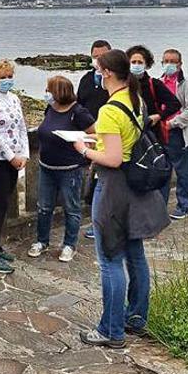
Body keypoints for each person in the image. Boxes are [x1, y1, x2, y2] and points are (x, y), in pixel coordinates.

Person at [73, 49, 163, 349]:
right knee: (135, 253)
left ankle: (111, 330)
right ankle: (135, 317)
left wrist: (84, 150)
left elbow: (111, 158)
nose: (96, 74)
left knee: (110, 259)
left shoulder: (110, 110)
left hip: (113, 188)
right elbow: (123, 145)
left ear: (107, 73)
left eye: (98, 69)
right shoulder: (135, 100)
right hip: (134, 186)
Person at [28, 76, 95, 263]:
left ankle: (69, 244)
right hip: (46, 166)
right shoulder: (50, 108)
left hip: (70, 169)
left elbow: (94, 133)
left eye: (49, 90)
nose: (46, 93)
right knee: (44, 207)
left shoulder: (78, 112)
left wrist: (86, 150)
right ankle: (42, 241)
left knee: (71, 208)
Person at [0, 59, 29, 275]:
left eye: (10, 76)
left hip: (15, 157)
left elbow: (22, 127)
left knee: (4, 203)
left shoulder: (15, 99)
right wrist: (10, 156)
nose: (7, 80)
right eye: (3, 77)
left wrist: (24, 154)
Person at [77, 40, 112, 241]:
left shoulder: (118, 82)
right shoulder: (86, 80)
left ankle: (103, 223)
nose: (98, 60)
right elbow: (79, 105)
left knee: (106, 183)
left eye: (102, 56)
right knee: (93, 185)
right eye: (95, 56)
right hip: (89, 137)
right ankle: (96, 220)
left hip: (109, 138)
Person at [159, 50, 188, 219]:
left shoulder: (185, 83)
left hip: (180, 133)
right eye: (166, 61)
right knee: (162, 171)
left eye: (172, 61)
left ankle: (185, 205)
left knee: (184, 172)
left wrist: (174, 122)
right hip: (163, 132)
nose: (169, 64)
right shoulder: (160, 82)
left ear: (180, 64)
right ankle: (160, 206)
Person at [126, 45, 181, 144]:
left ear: (146, 65)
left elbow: (175, 104)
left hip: (151, 134)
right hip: (128, 134)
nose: (136, 65)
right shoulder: (123, 84)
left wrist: (159, 116)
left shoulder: (154, 84)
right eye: (133, 62)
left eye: (140, 62)